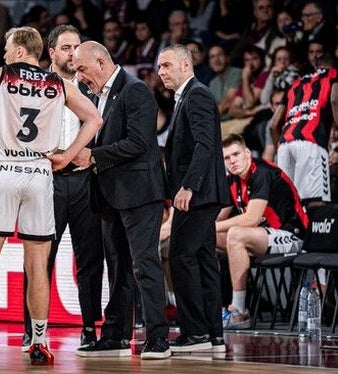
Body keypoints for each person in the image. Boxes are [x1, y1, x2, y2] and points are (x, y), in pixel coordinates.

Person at [0, 26, 102, 366]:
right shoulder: (59, 84)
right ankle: (38, 342)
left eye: (7, 48)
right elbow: (94, 118)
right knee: (38, 266)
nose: (5, 54)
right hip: (39, 174)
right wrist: (67, 156)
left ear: (20, 51)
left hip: (3, 169)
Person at [71, 40, 171, 360]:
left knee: (144, 264)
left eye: (82, 69)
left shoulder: (136, 90)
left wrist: (93, 156)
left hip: (140, 193)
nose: (81, 77)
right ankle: (114, 334)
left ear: (101, 62)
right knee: (117, 267)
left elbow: (139, 142)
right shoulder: (93, 95)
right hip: (109, 193)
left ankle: (158, 338)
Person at [20, 24, 104, 352]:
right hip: (46, 180)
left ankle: (88, 329)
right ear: (51, 53)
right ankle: (32, 329)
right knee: (41, 258)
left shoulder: (92, 88)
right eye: (67, 48)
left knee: (90, 258)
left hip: (84, 179)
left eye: (77, 47)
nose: (74, 53)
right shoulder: (32, 87)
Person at [157, 44, 230, 353]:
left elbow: (204, 145)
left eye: (166, 66)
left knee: (180, 256)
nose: (161, 72)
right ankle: (213, 335)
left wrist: (188, 186)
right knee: (202, 260)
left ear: (185, 66)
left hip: (197, 194)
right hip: (204, 193)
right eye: (160, 67)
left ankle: (195, 333)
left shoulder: (196, 94)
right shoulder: (189, 96)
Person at [215, 133, 308, 329]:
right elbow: (218, 218)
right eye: (226, 157)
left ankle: (240, 312)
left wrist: (211, 227)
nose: (232, 161)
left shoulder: (261, 172)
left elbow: (251, 218)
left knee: (234, 234)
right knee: (208, 237)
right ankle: (211, 304)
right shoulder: (231, 179)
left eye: (236, 154)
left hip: (292, 235)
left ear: (247, 153)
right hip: (264, 236)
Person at [270, 54, 338, 209]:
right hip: (311, 142)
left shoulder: (296, 83)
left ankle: (291, 233)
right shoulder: (333, 75)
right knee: (317, 202)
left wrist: (278, 149)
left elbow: (273, 125)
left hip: (285, 145)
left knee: (287, 204)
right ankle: (316, 234)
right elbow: (334, 99)